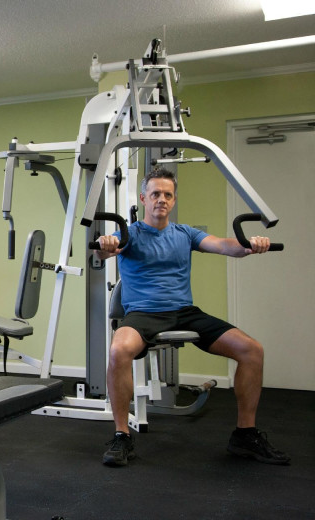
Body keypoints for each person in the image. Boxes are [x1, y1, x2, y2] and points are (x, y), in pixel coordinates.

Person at [94, 168, 290, 467]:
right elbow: (106, 252)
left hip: (185, 313)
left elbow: (224, 245)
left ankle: (245, 436)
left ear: (173, 200)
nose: (162, 200)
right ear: (144, 198)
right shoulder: (129, 233)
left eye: (168, 195)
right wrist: (105, 246)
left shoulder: (184, 233)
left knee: (252, 350)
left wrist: (249, 245)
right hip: (143, 313)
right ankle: (122, 435)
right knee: (119, 349)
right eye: (156, 194)